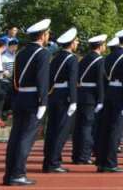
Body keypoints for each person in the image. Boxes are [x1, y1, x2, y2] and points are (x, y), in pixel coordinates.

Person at [2, 18, 51, 187]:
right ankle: (18, 174)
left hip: (20, 97)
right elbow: (42, 79)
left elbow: (15, 80)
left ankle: (9, 174)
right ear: (43, 35)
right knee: (26, 138)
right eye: (47, 33)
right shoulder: (43, 53)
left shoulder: (21, 53)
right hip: (33, 99)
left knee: (15, 137)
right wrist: (43, 102)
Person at [97, 26, 123, 174]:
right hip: (120, 95)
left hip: (109, 93)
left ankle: (101, 162)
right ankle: (110, 163)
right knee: (115, 130)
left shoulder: (109, 56)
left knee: (105, 129)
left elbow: (103, 78)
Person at [43, 27, 79, 174]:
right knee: (61, 131)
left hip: (54, 94)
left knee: (52, 130)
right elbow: (72, 81)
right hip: (65, 96)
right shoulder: (72, 59)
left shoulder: (56, 57)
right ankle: (54, 162)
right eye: (76, 41)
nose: (77, 43)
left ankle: (49, 161)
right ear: (71, 43)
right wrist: (73, 100)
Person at [72, 33, 107, 166]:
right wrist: (101, 99)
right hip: (91, 97)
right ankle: (84, 155)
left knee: (79, 127)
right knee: (87, 127)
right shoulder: (99, 60)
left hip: (81, 94)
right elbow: (100, 82)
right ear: (100, 46)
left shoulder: (84, 58)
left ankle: (76, 155)